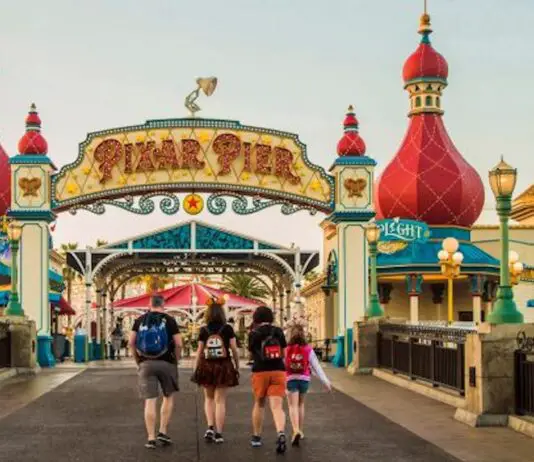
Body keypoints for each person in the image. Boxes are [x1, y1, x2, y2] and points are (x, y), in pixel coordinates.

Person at [129, 295, 182, 450]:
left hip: (146, 363)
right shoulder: (170, 320)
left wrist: (137, 360)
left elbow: (131, 342)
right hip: (167, 363)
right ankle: (163, 431)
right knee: (168, 397)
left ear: (149, 304)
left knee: (150, 400)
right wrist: (176, 360)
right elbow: (179, 343)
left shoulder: (140, 320)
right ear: (163, 304)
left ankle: (151, 438)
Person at [192, 297, 240, 444]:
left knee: (209, 399)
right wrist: (237, 366)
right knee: (220, 401)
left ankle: (210, 427)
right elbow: (234, 349)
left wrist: (196, 369)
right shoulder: (228, 329)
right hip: (223, 366)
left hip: (207, 366)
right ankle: (219, 433)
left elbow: (199, 351)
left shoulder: (204, 330)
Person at [248, 306, 287, 454]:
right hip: (278, 370)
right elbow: (283, 351)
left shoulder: (254, 333)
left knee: (259, 403)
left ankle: (257, 437)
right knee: (277, 406)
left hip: (260, 371)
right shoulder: (278, 331)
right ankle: (281, 432)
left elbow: (251, 352)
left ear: (256, 318)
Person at [285, 324, 331, 447]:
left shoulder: (287, 349)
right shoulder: (308, 349)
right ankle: (301, 430)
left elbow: (282, 364)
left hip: (291, 379)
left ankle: (295, 430)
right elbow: (316, 366)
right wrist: (325, 381)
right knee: (300, 404)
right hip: (304, 379)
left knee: (292, 405)